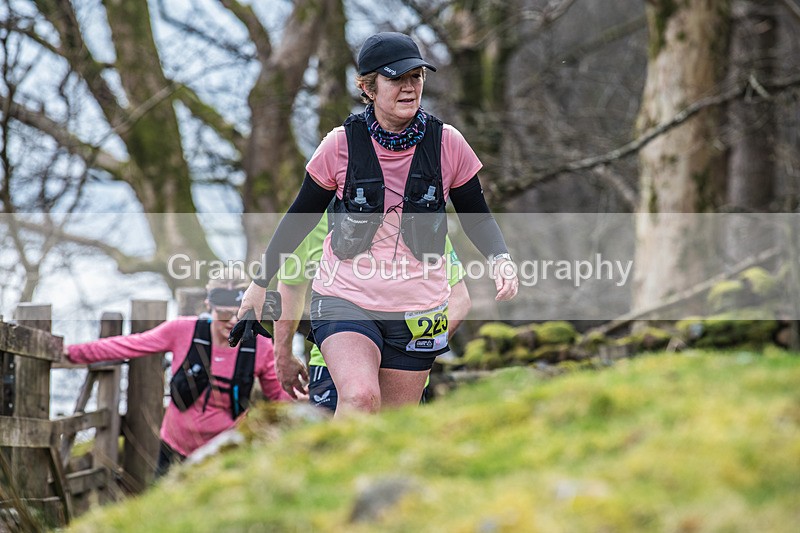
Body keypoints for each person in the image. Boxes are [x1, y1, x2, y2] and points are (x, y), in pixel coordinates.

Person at [235, 31, 518, 417]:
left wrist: (499, 257)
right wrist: (259, 283)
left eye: (416, 77)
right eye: (396, 78)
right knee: (360, 399)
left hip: (419, 311)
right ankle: (331, 478)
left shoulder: (448, 143)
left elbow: (476, 214)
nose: (409, 87)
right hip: (345, 299)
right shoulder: (339, 145)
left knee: (391, 425)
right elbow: (299, 218)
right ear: (368, 87)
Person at [64, 272, 291, 476]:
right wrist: (72, 352)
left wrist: (314, 407)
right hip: (174, 449)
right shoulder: (182, 331)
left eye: (239, 315)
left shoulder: (259, 345)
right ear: (208, 306)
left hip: (225, 452)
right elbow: (129, 345)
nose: (232, 321)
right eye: (224, 313)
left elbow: (280, 399)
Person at [273, 213, 472, 410]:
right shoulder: (314, 214)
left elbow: (459, 299)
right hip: (333, 368)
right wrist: (282, 355)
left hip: (407, 372)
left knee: (393, 441)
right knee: (343, 437)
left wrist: (421, 350)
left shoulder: (421, 216)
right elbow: (291, 286)